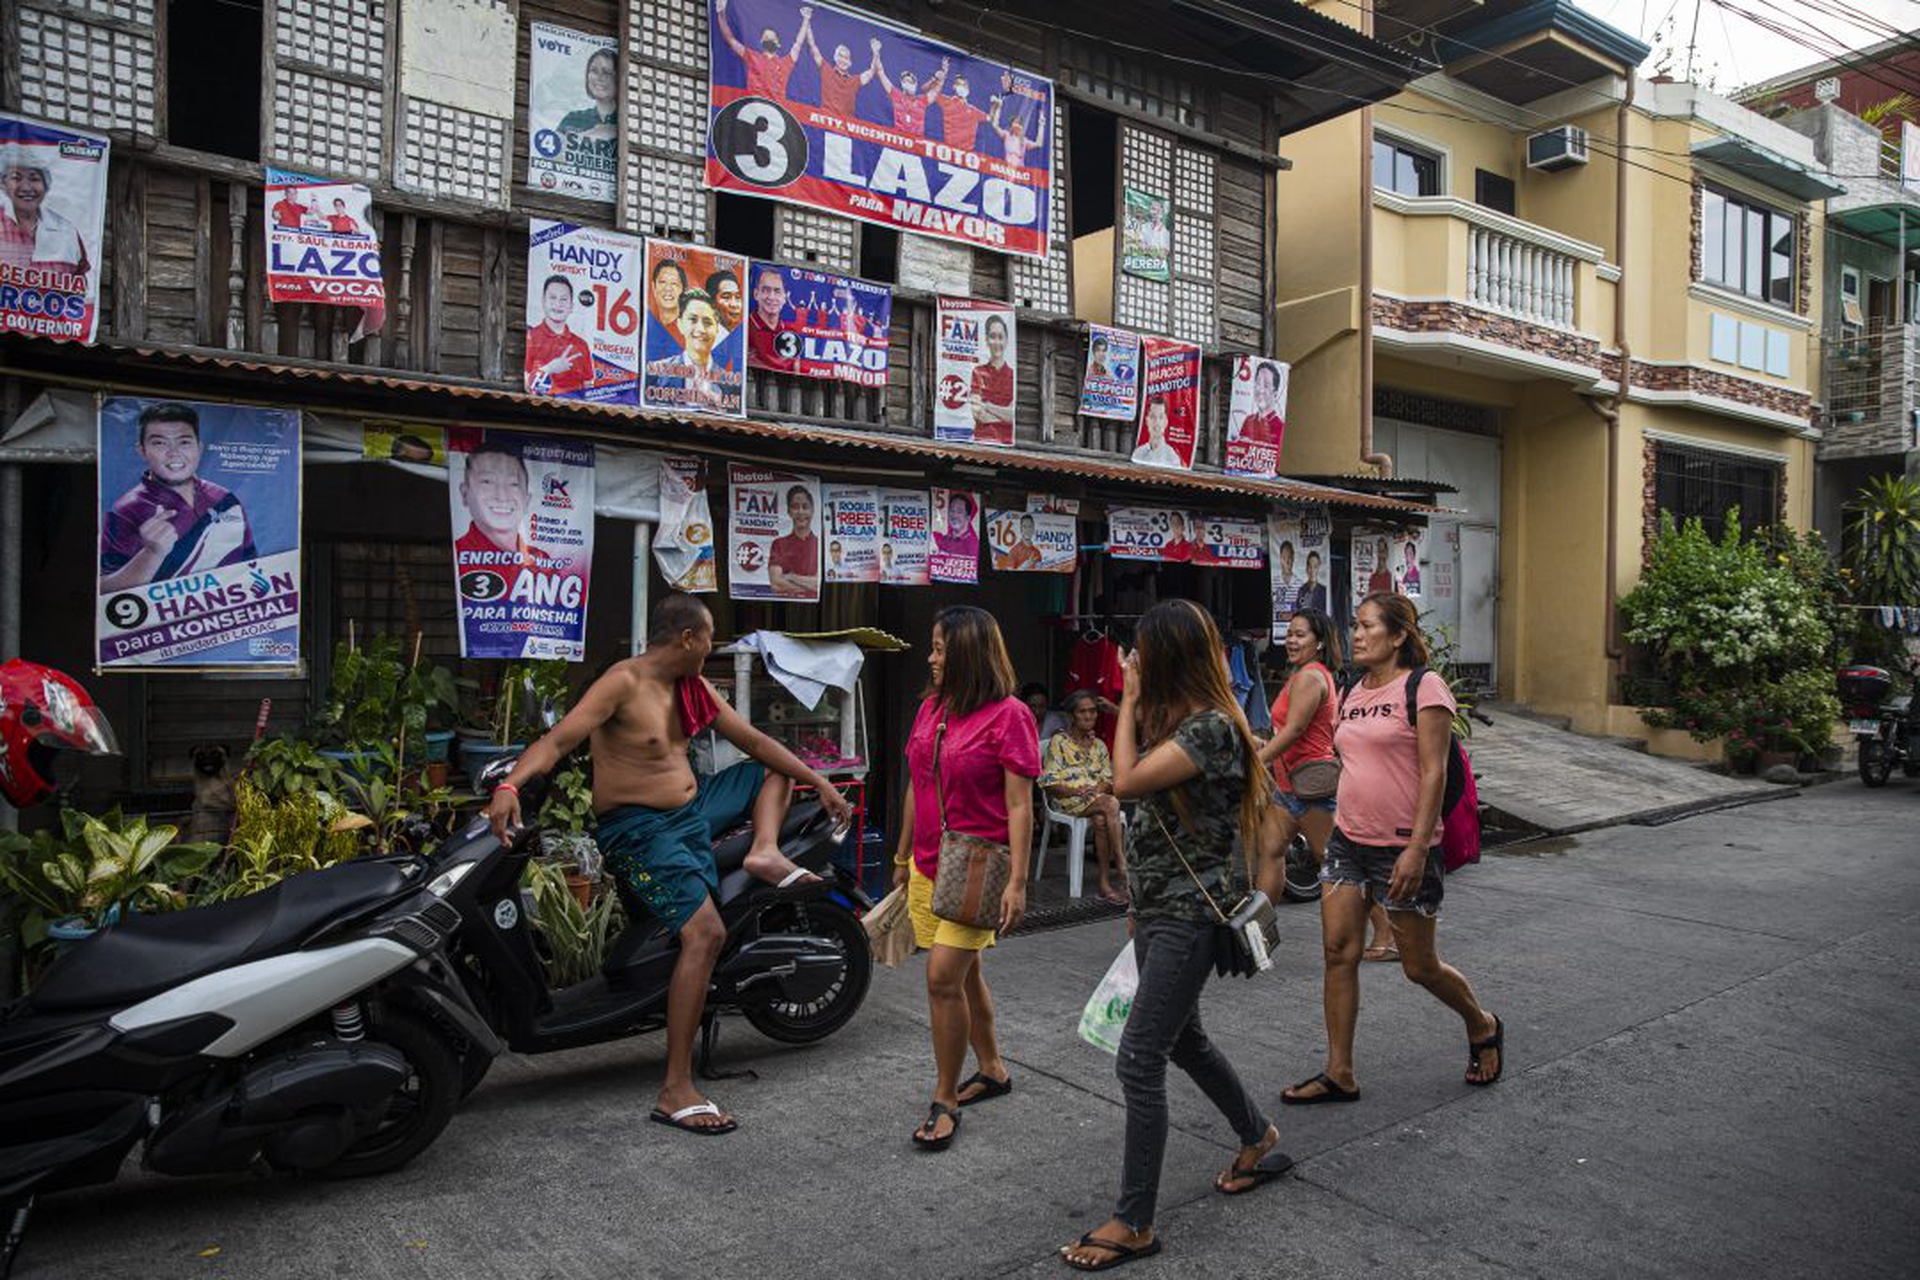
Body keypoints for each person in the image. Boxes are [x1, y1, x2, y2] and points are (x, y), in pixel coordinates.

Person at [486, 593, 853, 1135]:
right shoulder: (624, 683)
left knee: (768, 768)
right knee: (703, 935)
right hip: (638, 831)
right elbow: (558, 739)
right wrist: (511, 784)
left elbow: (750, 738)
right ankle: (675, 1088)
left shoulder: (691, 687)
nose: (711, 648)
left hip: (691, 811)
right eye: (708, 638)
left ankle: (764, 851)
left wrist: (820, 781)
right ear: (686, 639)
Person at [1060, 600, 1284, 1271]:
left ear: (1169, 655)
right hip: (1160, 908)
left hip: (1193, 915)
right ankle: (1257, 1133)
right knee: (1184, 1038)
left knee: (1140, 1055)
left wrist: (1124, 701)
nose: (1133, 660)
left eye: (1141, 651)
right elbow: (1150, 825)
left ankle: (1135, 1221)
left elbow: (1124, 784)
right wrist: (1135, 902)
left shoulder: (1215, 728)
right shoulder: (1183, 725)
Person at [1282, 592, 1502, 1107]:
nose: (1356, 635)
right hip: (1348, 841)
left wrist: (1419, 849)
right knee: (1338, 953)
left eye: (1367, 626)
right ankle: (1340, 1072)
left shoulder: (1424, 688)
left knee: (1418, 965)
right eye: (1354, 626)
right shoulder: (1353, 690)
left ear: (1398, 635)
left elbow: (1434, 772)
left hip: (1403, 848)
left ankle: (1482, 1023)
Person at [894, 606, 1037, 1150]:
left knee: (941, 979)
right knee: (966, 973)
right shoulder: (933, 708)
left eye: (939, 648)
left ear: (969, 654)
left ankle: (944, 1097)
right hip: (930, 866)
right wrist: (903, 856)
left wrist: (1018, 882)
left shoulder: (1010, 715)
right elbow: (915, 782)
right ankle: (994, 1068)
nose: (930, 659)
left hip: (979, 867)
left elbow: (1020, 806)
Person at [1254, 610, 1393, 957]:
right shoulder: (1303, 675)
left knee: (1335, 863)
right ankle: (1256, 935)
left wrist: (1258, 760)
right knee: (1270, 853)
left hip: (1312, 788)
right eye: (1289, 633)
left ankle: (1387, 930)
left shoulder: (1311, 678)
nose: (1291, 639)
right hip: (1289, 788)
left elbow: (1296, 730)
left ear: (1318, 642)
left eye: (1301, 635)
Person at [100, 402, 255, 592]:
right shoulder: (126, 510)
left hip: (227, 616)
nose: (174, 453)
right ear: (142, 450)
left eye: (184, 442)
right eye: (159, 443)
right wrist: (151, 553)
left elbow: (251, 565)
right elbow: (105, 590)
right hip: (165, 620)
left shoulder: (225, 499)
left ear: (199, 447)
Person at [1039, 690, 1127, 903]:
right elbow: (1049, 783)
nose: (1089, 716)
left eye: (1093, 712)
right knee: (1111, 803)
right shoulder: (1059, 742)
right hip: (1067, 800)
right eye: (1082, 712)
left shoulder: (1100, 746)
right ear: (1071, 716)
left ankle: (1105, 885)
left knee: (1100, 819)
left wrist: (1097, 790)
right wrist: (1076, 791)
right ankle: (1122, 865)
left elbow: (1108, 779)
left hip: (1096, 801)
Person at [0, 153, 89, 279]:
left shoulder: (66, 231)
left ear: (46, 185)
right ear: (3, 185)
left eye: (34, 178)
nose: (26, 187)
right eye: (16, 178)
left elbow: (80, 282)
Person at [648, 289, 730, 410]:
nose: (701, 329)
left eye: (708, 322)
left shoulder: (730, 383)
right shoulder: (655, 373)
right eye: (693, 320)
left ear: (717, 328)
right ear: (680, 324)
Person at [715, 0, 809, 100]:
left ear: (778, 44)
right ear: (761, 41)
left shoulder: (785, 63)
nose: (769, 40)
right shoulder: (753, 57)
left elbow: (798, 43)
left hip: (777, 110)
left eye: (772, 38)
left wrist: (806, 19)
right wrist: (721, 13)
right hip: (754, 107)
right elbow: (730, 39)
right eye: (766, 37)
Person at [525, 274, 594, 397]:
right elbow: (526, 384)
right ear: (543, 302)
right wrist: (549, 368)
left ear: (571, 306)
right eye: (552, 298)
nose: (558, 304)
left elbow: (588, 385)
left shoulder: (581, 345)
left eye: (563, 299)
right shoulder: (531, 337)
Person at [803, 21, 878, 120]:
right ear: (835, 57)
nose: (843, 60)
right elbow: (812, 46)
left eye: (846, 57)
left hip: (846, 129)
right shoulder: (826, 69)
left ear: (850, 62)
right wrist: (807, 21)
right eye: (840, 56)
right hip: (826, 121)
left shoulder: (854, 80)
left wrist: (876, 52)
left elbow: (873, 71)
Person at [871, 40, 946, 137]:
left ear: (915, 84)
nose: (908, 83)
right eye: (906, 81)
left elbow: (936, 91)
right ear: (902, 84)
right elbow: (880, 72)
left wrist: (942, 75)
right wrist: (876, 53)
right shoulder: (896, 95)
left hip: (916, 146)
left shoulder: (922, 100)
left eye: (911, 81)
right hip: (898, 141)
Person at [768, 484, 820, 598]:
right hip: (783, 607)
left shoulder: (820, 544)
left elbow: (818, 584)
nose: (800, 512)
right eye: (795, 507)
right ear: (789, 511)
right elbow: (776, 584)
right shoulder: (779, 544)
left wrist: (791, 577)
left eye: (805, 507)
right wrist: (809, 585)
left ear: (812, 510)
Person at [970, 314, 1015, 445]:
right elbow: (978, 414)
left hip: (1007, 442)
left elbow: (1013, 417)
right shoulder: (978, 372)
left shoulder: (1012, 375)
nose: (997, 342)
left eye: (1001, 337)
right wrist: (1004, 414)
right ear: (986, 340)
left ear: (1006, 340)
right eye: (992, 336)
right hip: (981, 440)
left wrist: (987, 406)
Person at [556, 46, 619, 135]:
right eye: (594, 70)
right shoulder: (572, 119)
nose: (599, 77)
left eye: (607, 72)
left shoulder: (625, 120)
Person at [747, 266, 795, 372]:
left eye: (777, 291)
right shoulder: (744, 327)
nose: (771, 297)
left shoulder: (791, 332)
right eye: (765, 290)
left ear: (784, 297)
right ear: (756, 294)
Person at [644, 257, 689, 365]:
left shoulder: (690, 331)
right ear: (653, 287)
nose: (668, 288)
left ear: (683, 290)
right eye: (662, 282)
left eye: (674, 283)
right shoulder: (645, 323)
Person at [934, 73, 990, 151]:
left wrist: (996, 106)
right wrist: (939, 79)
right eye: (958, 84)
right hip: (949, 151)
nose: (962, 87)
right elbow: (933, 93)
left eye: (964, 85)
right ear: (954, 87)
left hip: (967, 156)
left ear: (968, 89)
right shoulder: (947, 101)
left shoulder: (974, 111)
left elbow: (991, 118)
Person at [988, 92, 1046, 168]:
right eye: (1015, 123)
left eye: (1019, 124)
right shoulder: (1006, 135)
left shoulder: (1024, 141)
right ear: (1011, 125)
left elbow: (1039, 144)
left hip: (1019, 171)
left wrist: (1041, 125)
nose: (1017, 126)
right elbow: (995, 125)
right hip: (1007, 169)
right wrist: (998, 107)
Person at [1235, 362, 1285, 448]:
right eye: (1258, 383)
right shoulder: (1248, 420)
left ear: (1275, 394)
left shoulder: (1279, 426)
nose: (1260, 390)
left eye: (1266, 385)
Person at [1130, 397, 1183, 469]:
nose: (1157, 422)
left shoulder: (1172, 458)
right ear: (1147, 420)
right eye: (1152, 417)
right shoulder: (1138, 453)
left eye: (1161, 417)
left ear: (1165, 422)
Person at [934, 492, 977, 558]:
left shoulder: (973, 544)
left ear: (968, 518)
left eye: (959, 511)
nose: (954, 515)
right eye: (952, 511)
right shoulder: (944, 540)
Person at [1296, 550, 1330, 616]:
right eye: (1310, 567)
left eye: (1315, 567)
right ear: (1306, 569)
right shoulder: (1301, 591)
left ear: (1319, 569)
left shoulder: (1324, 592)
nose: (1312, 571)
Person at [1272, 539, 1301, 616]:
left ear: (1293, 558)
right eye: (1284, 558)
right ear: (1280, 559)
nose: (1287, 562)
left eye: (1289, 557)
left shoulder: (1300, 584)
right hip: (1278, 627)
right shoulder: (1273, 583)